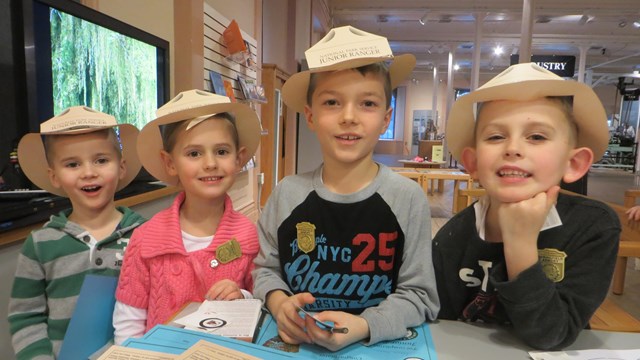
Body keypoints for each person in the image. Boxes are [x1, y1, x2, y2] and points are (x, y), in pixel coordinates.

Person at [252, 26, 439, 352]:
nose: (349, 117)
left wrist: (366, 325)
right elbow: (266, 270)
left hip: (376, 346)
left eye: (367, 103)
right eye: (332, 102)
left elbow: (420, 295)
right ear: (310, 116)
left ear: (385, 118)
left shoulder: (408, 198)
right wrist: (280, 303)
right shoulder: (287, 194)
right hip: (297, 344)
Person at [433, 63, 621, 350]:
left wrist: (519, 244)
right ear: (472, 163)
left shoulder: (593, 227)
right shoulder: (452, 238)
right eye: (496, 136)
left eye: (537, 136)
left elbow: (553, 334)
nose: (513, 148)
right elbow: (442, 329)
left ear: (573, 163)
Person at [113, 90, 262, 344]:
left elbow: (261, 301)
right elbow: (130, 318)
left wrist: (242, 297)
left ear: (238, 159)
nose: (210, 163)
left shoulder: (247, 235)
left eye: (222, 151)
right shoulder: (146, 239)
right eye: (194, 154)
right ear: (170, 163)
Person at [8, 106, 145, 359]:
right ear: (55, 176)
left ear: (121, 167)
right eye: (72, 164)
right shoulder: (40, 244)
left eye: (101, 160)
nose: (88, 172)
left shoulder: (146, 235)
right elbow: (25, 317)